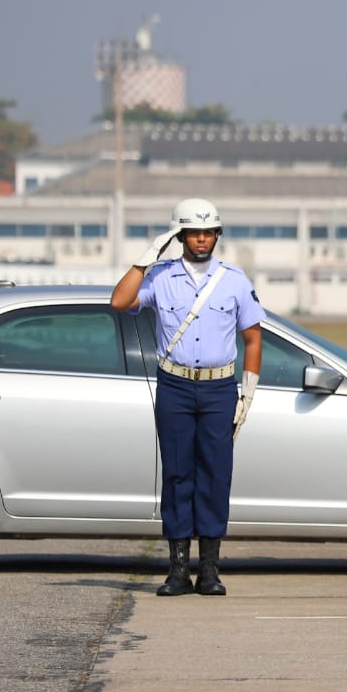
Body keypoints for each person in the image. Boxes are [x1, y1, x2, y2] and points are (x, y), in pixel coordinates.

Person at [111, 198, 264, 597]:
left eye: (208, 232)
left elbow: (253, 337)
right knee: (178, 474)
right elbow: (120, 301)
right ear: (180, 235)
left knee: (215, 475)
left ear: (217, 235)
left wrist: (247, 390)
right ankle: (177, 570)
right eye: (193, 232)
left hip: (218, 388)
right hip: (175, 386)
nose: (201, 239)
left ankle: (209, 571)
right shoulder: (160, 276)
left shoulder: (234, 279)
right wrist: (146, 257)